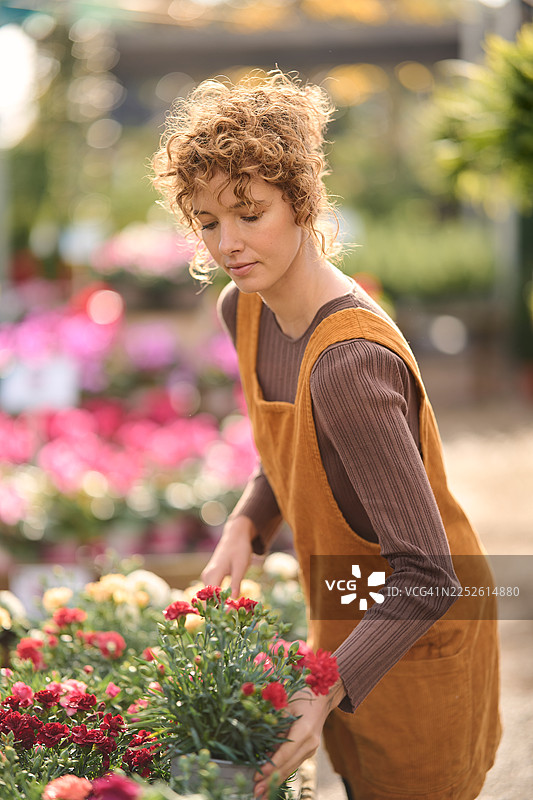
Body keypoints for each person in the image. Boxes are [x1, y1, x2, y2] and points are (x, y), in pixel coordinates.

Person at [151, 70, 501, 800]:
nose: (227, 243)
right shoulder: (243, 309)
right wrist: (247, 525)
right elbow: (293, 457)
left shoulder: (349, 364)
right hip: (343, 627)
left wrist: (321, 689)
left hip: (415, 646)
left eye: (250, 213)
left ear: (302, 200)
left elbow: (429, 575)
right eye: (208, 222)